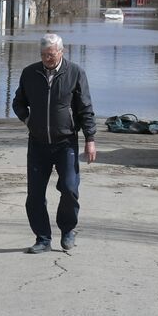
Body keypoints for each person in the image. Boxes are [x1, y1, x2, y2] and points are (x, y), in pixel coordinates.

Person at [11, 33, 97, 253]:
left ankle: (68, 230)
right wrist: (28, 119)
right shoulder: (30, 73)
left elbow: (85, 108)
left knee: (69, 188)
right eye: (43, 55)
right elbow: (18, 102)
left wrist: (90, 139)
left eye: (50, 54)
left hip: (65, 142)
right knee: (35, 194)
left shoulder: (75, 73)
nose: (47, 59)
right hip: (38, 143)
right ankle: (42, 238)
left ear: (61, 51)